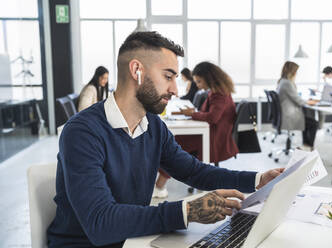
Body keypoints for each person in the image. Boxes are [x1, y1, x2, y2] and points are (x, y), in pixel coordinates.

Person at [47, 31, 284, 247]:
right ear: (136, 70)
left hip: (132, 240)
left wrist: (258, 179)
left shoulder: (153, 127)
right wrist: (187, 211)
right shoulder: (82, 132)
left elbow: (195, 172)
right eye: (168, 76)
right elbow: (101, 223)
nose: (175, 90)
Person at [180, 62, 239, 166]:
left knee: (174, 142)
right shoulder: (218, 90)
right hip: (214, 130)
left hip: (215, 135)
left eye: (199, 82)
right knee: (173, 142)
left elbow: (213, 117)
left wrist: (192, 114)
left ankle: (161, 179)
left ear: (208, 78)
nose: (197, 86)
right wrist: (194, 113)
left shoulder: (219, 93)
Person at [276, 61, 318, 150]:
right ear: (292, 72)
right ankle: (308, 146)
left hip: (284, 114)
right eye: (296, 71)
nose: (296, 74)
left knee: (308, 120)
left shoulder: (282, 81)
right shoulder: (287, 83)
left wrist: (306, 101)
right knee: (313, 123)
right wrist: (309, 102)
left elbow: (295, 97)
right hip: (289, 116)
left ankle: (306, 145)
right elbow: (298, 101)